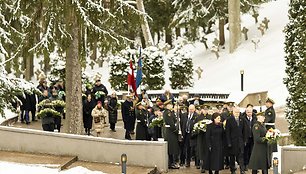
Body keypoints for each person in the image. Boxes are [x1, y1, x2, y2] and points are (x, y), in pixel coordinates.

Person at [225, 106, 248, 174]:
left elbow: (245, 131)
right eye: (236, 112)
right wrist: (229, 142)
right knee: (232, 157)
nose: (237, 114)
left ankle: (242, 170)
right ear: (233, 112)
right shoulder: (229, 120)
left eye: (238, 112)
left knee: (241, 156)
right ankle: (232, 170)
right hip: (232, 141)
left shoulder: (242, 119)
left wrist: (245, 140)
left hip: (240, 141)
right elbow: (227, 132)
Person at [163, 100, 180, 169]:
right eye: (170, 104)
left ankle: (172, 163)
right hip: (170, 132)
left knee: (172, 148)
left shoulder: (170, 112)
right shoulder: (167, 113)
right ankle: (171, 163)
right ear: (167, 106)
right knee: (171, 148)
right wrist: (176, 131)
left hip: (171, 132)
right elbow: (171, 124)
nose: (172, 105)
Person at [196, 105, 212, 173]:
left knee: (208, 151)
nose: (205, 111)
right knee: (201, 151)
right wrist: (199, 128)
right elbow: (195, 127)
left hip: (208, 137)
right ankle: (202, 166)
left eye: (206, 109)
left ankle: (208, 165)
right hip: (201, 136)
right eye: (204, 109)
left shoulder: (210, 117)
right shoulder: (198, 117)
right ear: (201, 110)